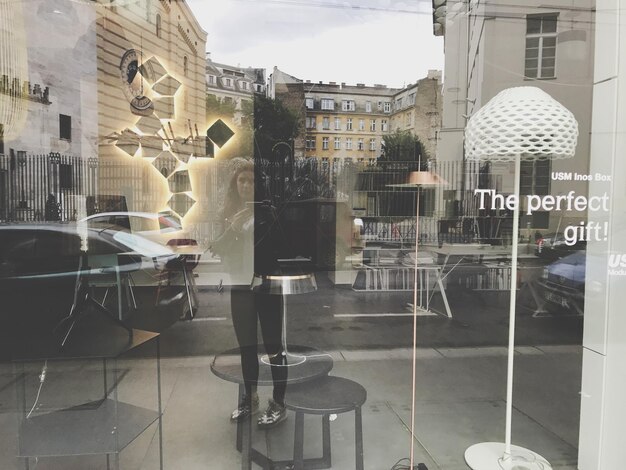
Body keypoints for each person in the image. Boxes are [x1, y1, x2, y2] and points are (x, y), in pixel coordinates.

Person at [212, 159, 288, 428]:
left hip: (267, 285)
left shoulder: (267, 211)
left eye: (251, 181)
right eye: (242, 180)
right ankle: (250, 398)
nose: (246, 185)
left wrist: (262, 221)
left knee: (273, 346)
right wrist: (233, 229)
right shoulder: (228, 213)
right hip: (241, 285)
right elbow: (217, 249)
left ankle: (279, 402)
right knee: (247, 347)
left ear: (259, 185)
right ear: (235, 184)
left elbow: (281, 245)